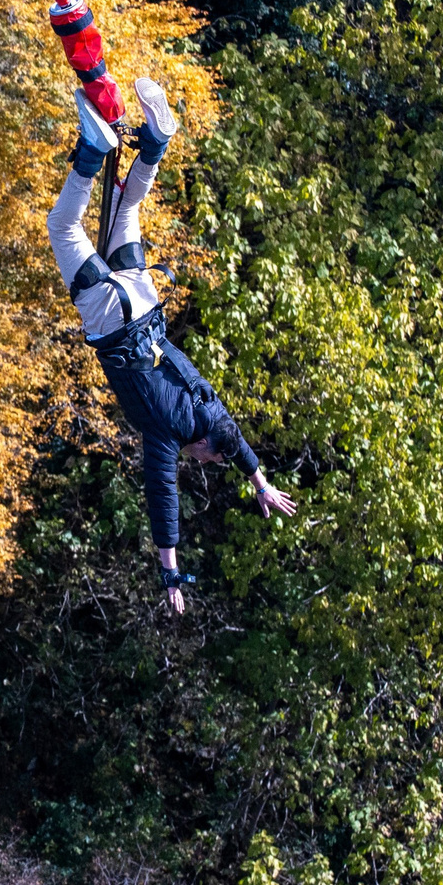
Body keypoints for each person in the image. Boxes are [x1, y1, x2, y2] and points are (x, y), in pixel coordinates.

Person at [49, 75, 295, 614]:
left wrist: (258, 479)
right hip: (113, 319)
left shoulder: (206, 403)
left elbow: (229, 435)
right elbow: (164, 499)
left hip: (144, 297)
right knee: (64, 226)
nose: (199, 462)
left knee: (126, 208)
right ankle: (92, 149)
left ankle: (156, 143)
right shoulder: (172, 429)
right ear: (202, 446)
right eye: (204, 460)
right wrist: (171, 576)